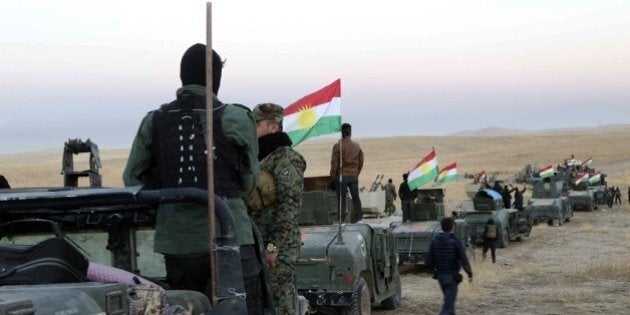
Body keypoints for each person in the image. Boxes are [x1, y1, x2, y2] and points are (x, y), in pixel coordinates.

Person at [122, 44, 263, 312]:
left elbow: (132, 179)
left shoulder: (154, 120)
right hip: (229, 237)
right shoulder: (236, 117)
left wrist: (169, 203)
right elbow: (247, 182)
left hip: (178, 243)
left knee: (184, 308)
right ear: (216, 78)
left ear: (182, 76)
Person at [249, 103, 306, 314]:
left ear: (274, 126)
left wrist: (273, 248)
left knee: (279, 302)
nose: (253, 129)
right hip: (260, 242)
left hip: (278, 248)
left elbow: (289, 208)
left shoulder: (285, 158)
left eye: (257, 124)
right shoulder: (261, 158)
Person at [426, 217, 473, 315]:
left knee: (450, 304)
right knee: (447, 308)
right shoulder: (456, 241)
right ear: (452, 227)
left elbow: (428, 260)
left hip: (440, 277)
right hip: (451, 277)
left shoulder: (435, 241)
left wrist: (434, 271)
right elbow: (464, 260)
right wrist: (470, 274)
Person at [330, 123, 364, 223]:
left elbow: (334, 162)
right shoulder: (357, 146)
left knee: (342, 199)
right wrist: (356, 173)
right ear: (350, 133)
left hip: (341, 176)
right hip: (353, 176)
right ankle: (359, 218)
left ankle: (342, 220)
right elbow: (361, 162)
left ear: (342, 133)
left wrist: (333, 175)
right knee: (356, 198)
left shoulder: (337, 146)